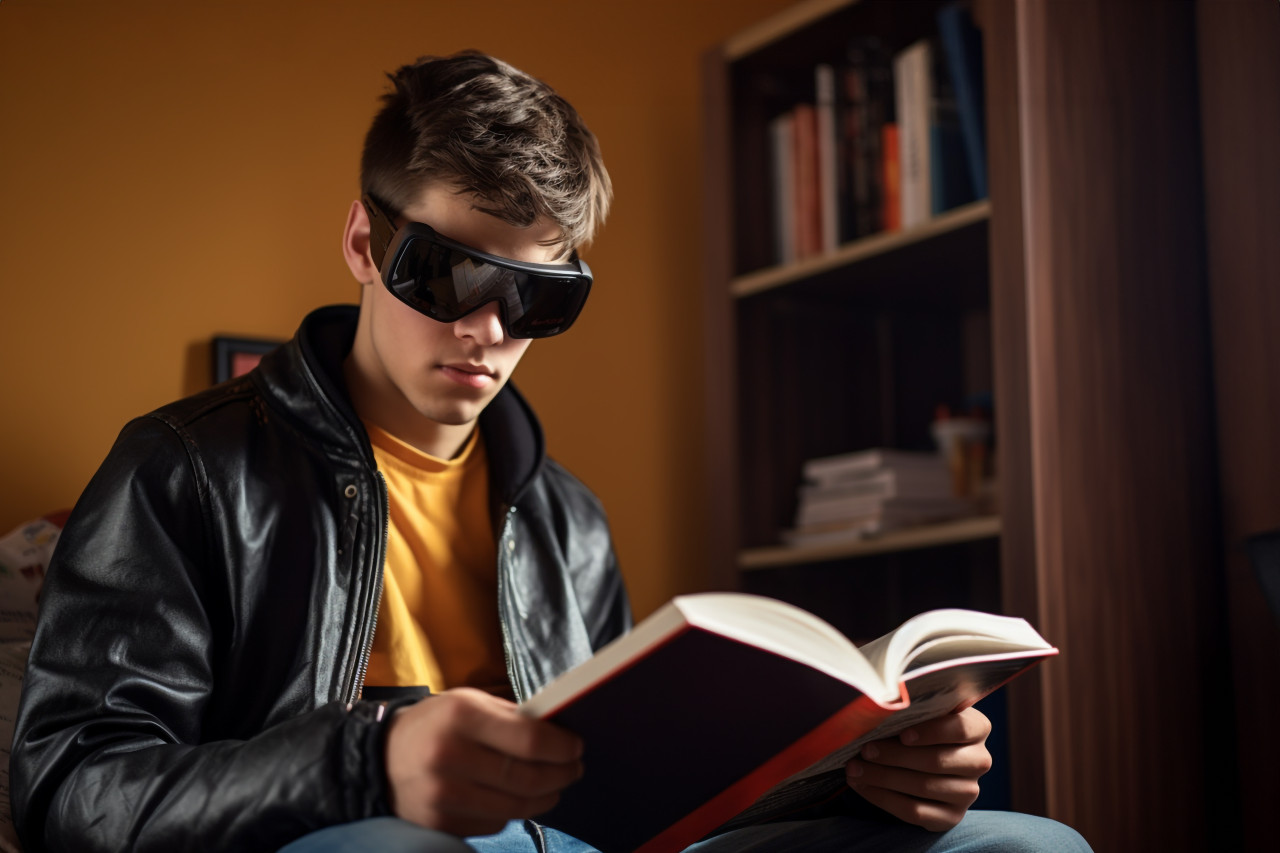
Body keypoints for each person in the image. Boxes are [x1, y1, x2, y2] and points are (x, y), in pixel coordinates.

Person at [10, 51, 1090, 853]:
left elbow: (632, 798)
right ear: (361, 244)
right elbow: (66, 794)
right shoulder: (180, 471)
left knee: (1023, 843)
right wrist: (368, 765)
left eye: (536, 296)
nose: (487, 329)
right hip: (353, 834)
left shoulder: (564, 518)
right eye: (446, 275)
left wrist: (857, 777)